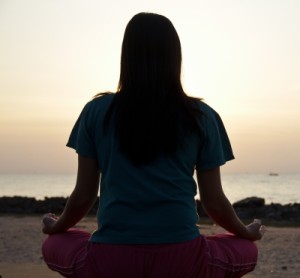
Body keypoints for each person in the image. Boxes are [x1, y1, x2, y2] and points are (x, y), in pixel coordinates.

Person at [41, 12, 265, 278]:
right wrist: (245, 232)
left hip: (110, 261)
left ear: (127, 56)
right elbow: (213, 201)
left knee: (56, 243)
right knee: (245, 249)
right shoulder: (202, 116)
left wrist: (56, 228)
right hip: (182, 261)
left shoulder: (95, 111)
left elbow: (83, 196)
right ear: (175, 57)